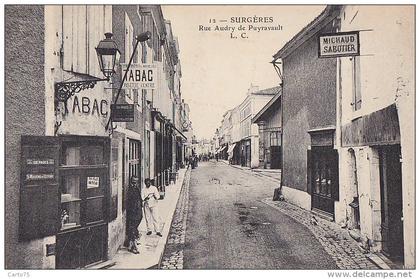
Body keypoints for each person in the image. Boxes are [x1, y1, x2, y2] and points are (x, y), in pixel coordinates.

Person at [126, 176, 142, 254]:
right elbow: (129, 203)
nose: (135, 183)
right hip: (132, 213)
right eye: (133, 182)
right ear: (131, 182)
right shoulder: (130, 190)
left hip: (138, 213)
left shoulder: (137, 189)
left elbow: (140, 200)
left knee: (133, 229)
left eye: (136, 182)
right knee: (132, 230)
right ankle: (134, 247)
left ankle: (130, 245)